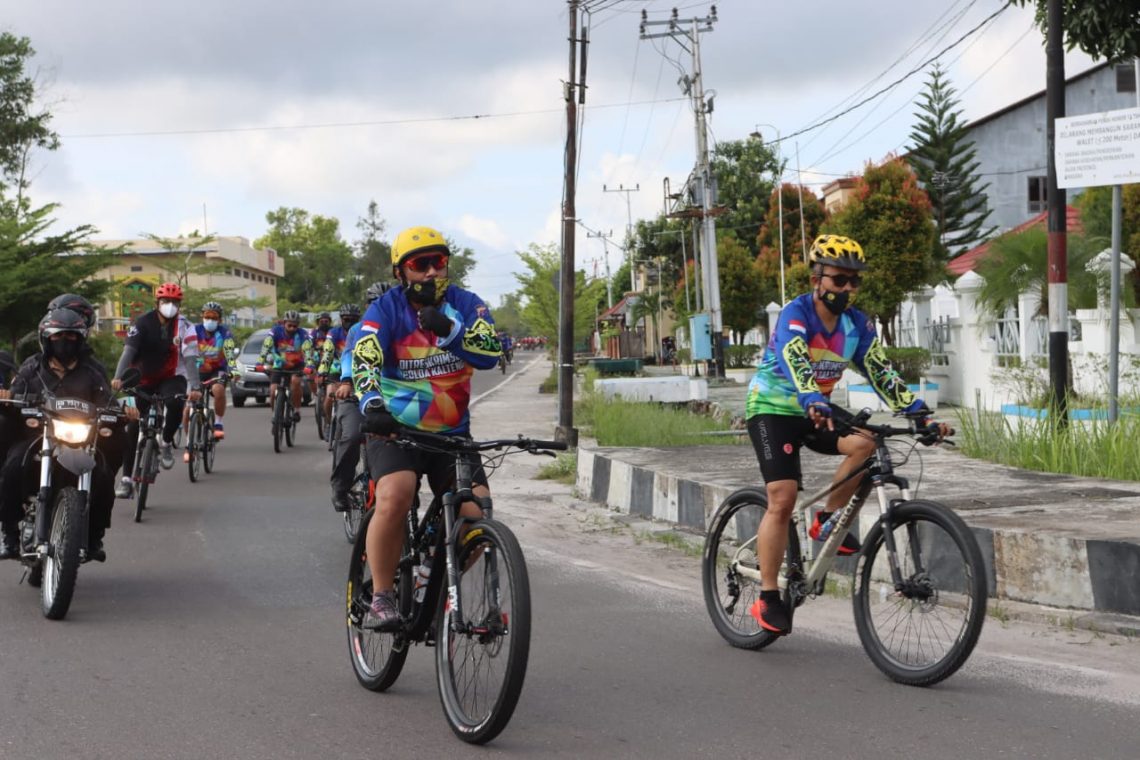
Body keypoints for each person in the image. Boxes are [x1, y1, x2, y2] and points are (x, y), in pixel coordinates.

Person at [745, 234, 952, 636]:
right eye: (840, 280)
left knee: (866, 443)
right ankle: (768, 597)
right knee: (783, 497)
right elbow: (795, 360)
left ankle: (824, 520)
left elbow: (880, 372)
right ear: (817, 278)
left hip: (815, 407)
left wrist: (919, 414)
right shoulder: (796, 314)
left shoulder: (856, 325)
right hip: (773, 407)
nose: (849, 289)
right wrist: (810, 397)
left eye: (855, 282)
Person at [352, 226, 501, 628]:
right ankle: (382, 595)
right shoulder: (385, 309)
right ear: (402, 272)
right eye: (421, 265)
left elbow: (489, 353)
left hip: (452, 436)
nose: (433, 272)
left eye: (440, 262)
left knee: (476, 512)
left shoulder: (467, 304)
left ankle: (429, 574)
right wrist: (372, 404)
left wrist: (450, 331)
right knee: (397, 494)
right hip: (396, 431)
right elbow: (363, 359)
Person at [0, 309, 139, 561]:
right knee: (11, 467)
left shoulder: (92, 372)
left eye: (72, 336)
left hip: (79, 441)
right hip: (36, 438)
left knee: (104, 476)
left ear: (81, 339)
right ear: (46, 339)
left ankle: (95, 535)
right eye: (59, 335)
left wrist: (125, 412)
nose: (65, 341)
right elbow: (13, 397)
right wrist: (7, 398)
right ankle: (8, 534)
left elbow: (107, 401)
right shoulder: (31, 368)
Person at [111, 282, 202, 497]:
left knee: (174, 402)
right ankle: (125, 479)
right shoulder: (142, 323)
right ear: (157, 303)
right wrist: (118, 378)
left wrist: (195, 386)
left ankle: (167, 441)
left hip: (172, 376)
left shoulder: (186, 327)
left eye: (174, 302)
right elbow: (128, 352)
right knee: (133, 424)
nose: (170, 306)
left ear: (180, 305)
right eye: (166, 301)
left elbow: (190, 359)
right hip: (142, 376)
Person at [328, 286, 386, 513]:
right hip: (356, 395)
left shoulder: (401, 327)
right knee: (352, 436)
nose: (378, 307)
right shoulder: (358, 329)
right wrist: (346, 382)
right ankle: (340, 488)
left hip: (390, 397)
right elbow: (350, 356)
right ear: (367, 306)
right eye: (373, 303)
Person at [182, 302, 237, 452]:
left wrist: (233, 370)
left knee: (219, 390)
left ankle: (218, 422)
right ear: (202, 316)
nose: (210, 320)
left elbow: (230, 354)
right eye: (207, 316)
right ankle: (189, 441)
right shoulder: (193, 331)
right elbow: (186, 353)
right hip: (196, 372)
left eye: (214, 317)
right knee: (188, 410)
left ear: (219, 320)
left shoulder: (225, 333)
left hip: (216, 370)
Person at [257, 310, 312, 423]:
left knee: (296, 382)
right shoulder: (275, 331)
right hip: (279, 364)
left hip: (296, 364)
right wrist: (260, 362)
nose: (292, 328)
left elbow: (307, 350)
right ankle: (275, 414)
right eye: (289, 325)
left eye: (295, 326)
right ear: (284, 323)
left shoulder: (303, 334)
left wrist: (310, 364)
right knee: (273, 391)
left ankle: (296, 410)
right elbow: (266, 345)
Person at [317, 302, 359, 440]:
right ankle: (329, 423)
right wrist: (322, 371)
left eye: (354, 320)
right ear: (341, 319)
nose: (350, 322)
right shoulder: (333, 333)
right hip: (336, 368)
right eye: (347, 319)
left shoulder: (363, 331)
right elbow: (328, 353)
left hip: (357, 369)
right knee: (329, 395)